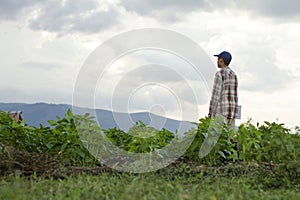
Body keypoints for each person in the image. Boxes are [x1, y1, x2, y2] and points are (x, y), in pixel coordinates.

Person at [208, 51, 238, 131]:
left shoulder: (219, 74)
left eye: (218, 59)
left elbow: (216, 95)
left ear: (221, 60)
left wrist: (210, 112)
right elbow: (235, 95)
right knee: (230, 139)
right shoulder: (234, 74)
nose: (217, 61)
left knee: (217, 138)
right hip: (232, 112)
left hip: (221, 111)